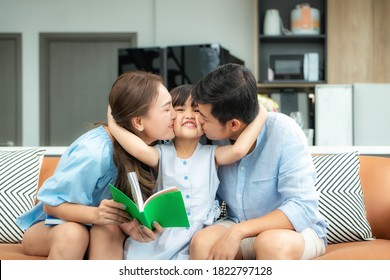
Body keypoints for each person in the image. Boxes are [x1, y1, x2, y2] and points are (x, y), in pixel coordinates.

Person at [16, 71, 176, 259]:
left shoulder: (156, 148)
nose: (175, 115)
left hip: (102, 227)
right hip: (54, 227)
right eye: (167, 109)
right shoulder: (94, 151)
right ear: (139, 122)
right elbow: (51, 206)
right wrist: (96, 215)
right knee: (74, 234)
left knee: (108, 228)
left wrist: (132, 225)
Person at [107, 84, 267, 259]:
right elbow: (136, 148)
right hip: (162, 239)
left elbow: (239, 150)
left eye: (197, 110)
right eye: (180, 109)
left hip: (199, 239)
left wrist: (261, 112)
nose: (190, 115)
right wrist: (113, 121)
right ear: (170, 119)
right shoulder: (161, 154)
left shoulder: (211, 155)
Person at [189, 63, 328, 260]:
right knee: (202, 243)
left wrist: (239, 231)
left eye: (203, 118)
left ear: (233, 124)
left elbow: (302, 208)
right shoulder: (209, 136)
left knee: (270, 244)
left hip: (295, 231)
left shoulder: (284, 131)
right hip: (237, 222)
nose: (197, 120)